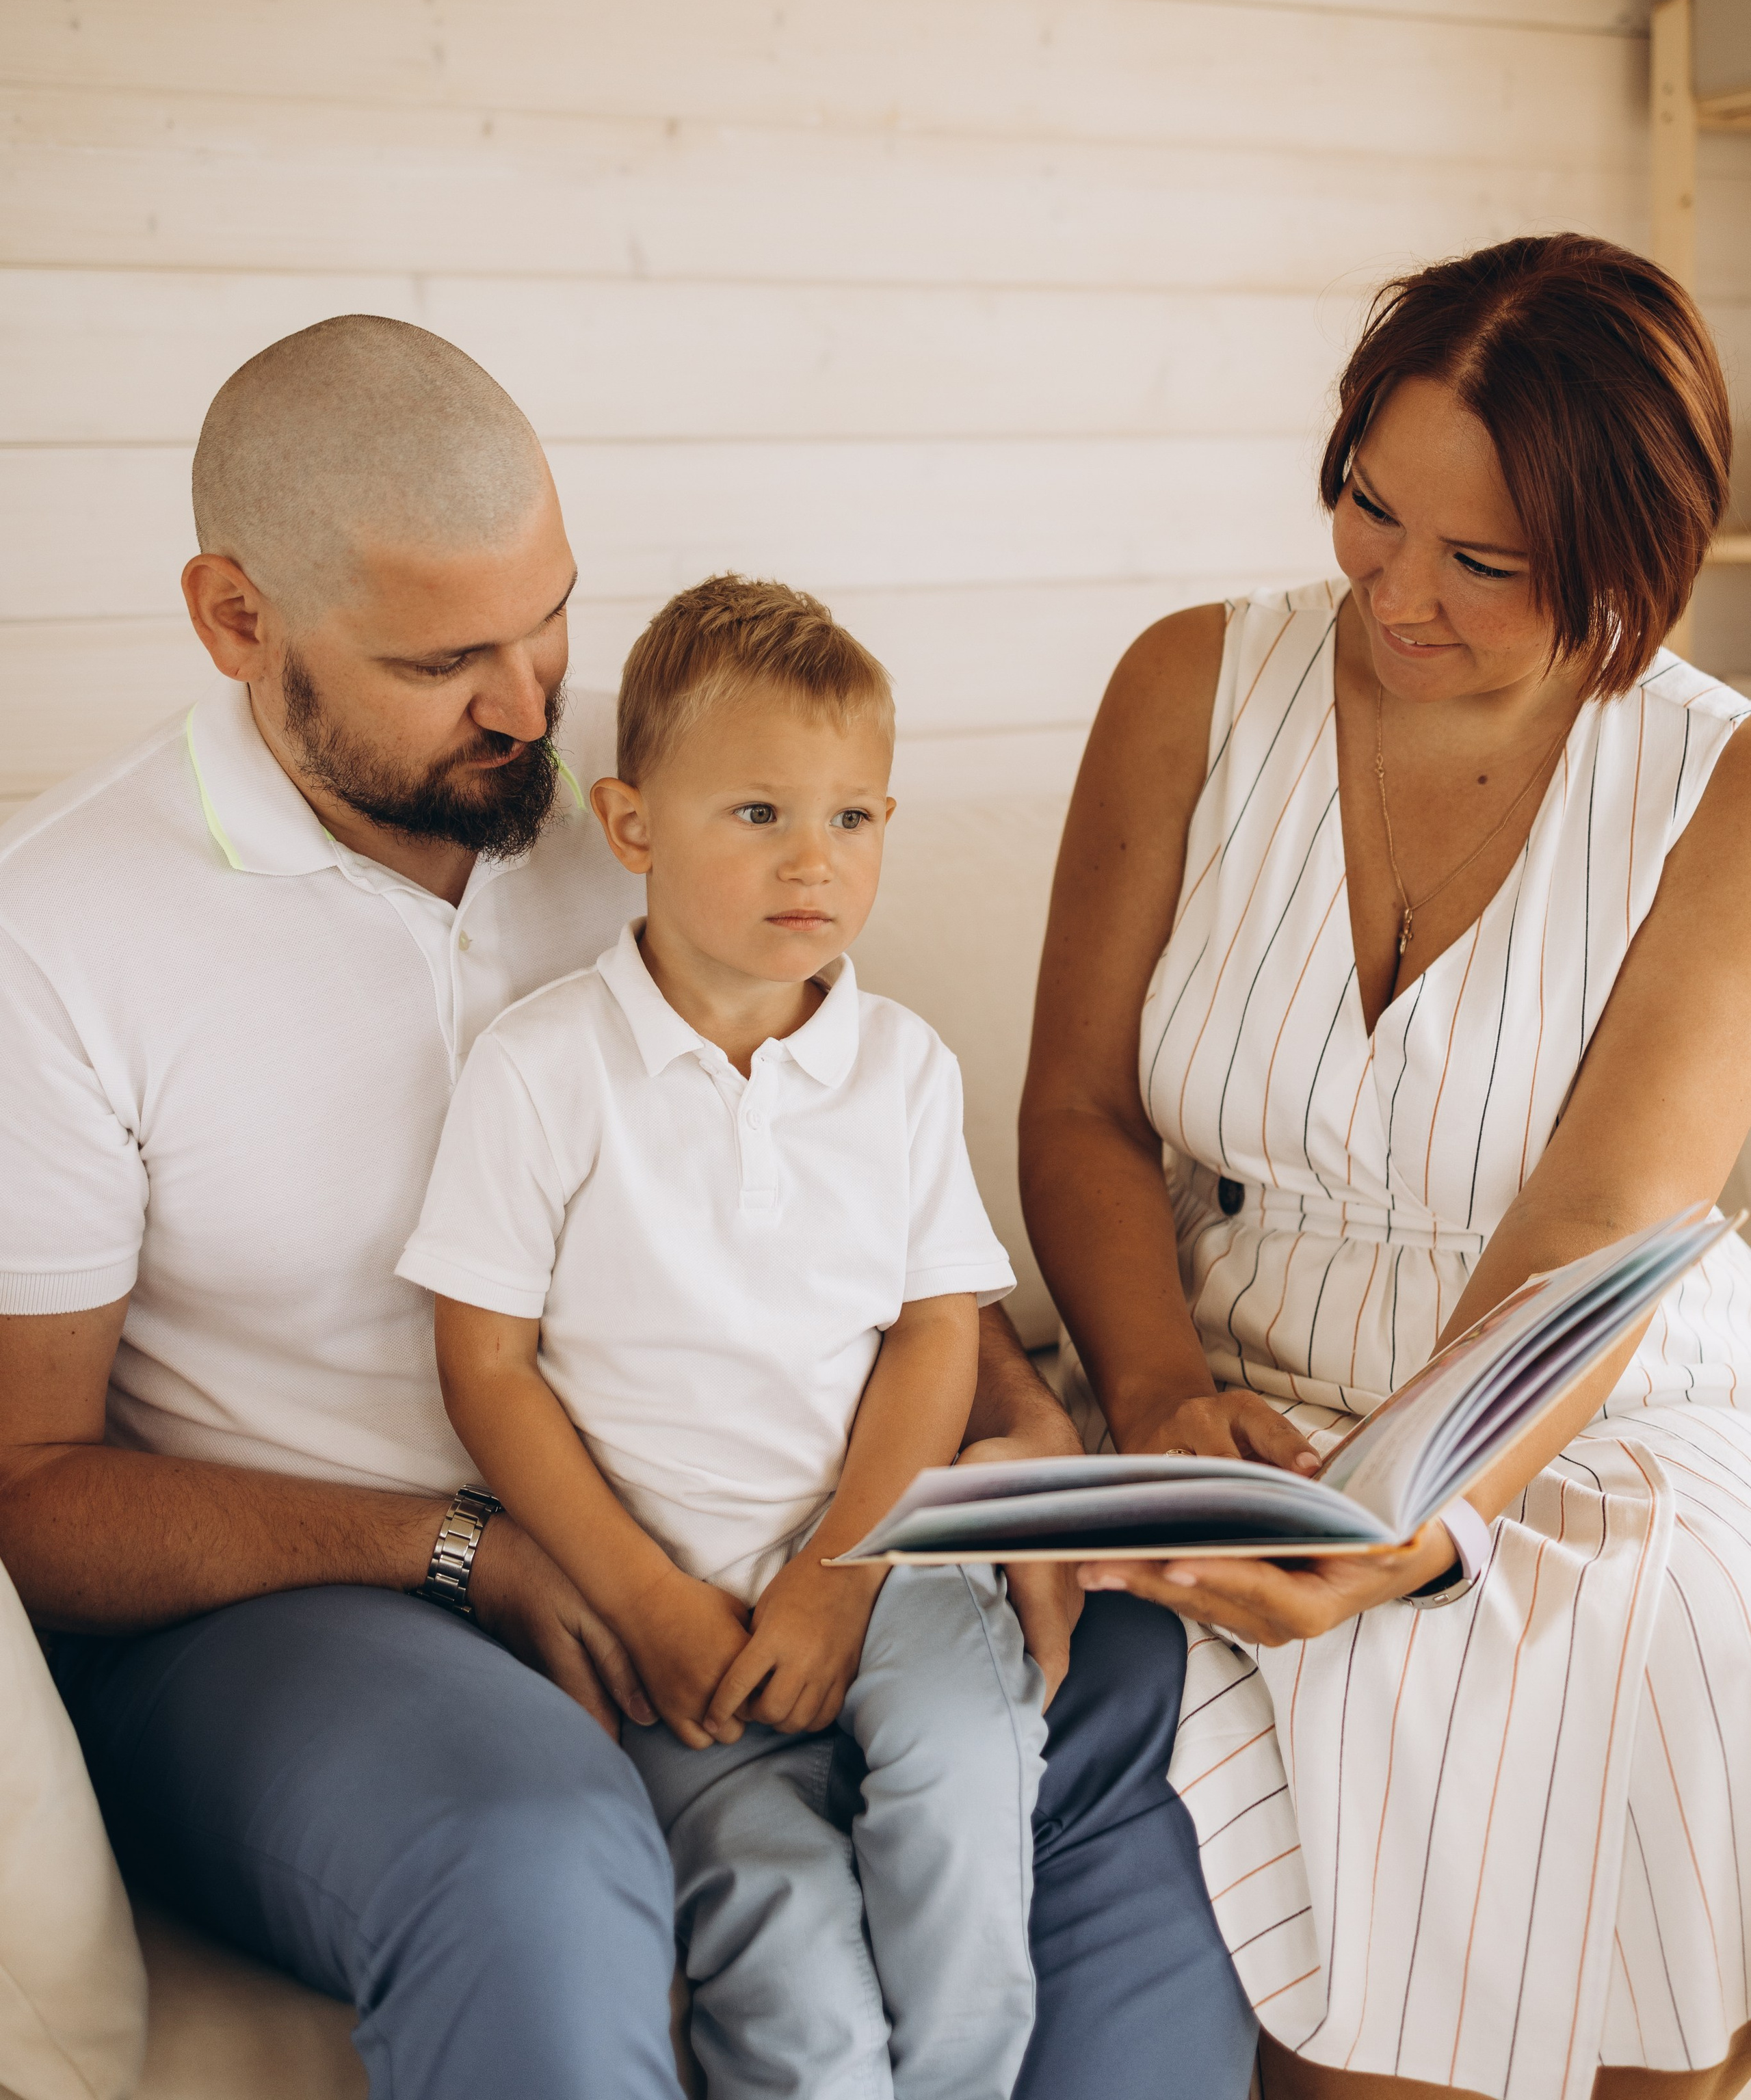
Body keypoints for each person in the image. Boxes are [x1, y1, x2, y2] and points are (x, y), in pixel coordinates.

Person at [0, 315, 1255, 2099]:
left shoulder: (668, 806)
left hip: (742, 1515)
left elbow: (860, 1178)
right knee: (526, 1841)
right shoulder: (55, 935)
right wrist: (461, 1552)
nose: (526, 700)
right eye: (445, 659)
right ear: (237, 620)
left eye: (548, 619)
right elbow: (31, 1490)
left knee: (1113, 1679)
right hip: (311, 1600)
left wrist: (1015, 1429)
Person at [1021, 235, 1751, 2100]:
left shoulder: (1717, 786)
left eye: (1484, 565)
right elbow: (1084, 1112)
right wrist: (1163, 1391)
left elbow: (1605, 1230)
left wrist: (1412, 1529)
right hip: (1217, 1369)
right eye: (1370, 507)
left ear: (1629, 566)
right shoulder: (1190, 685)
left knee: (1561, 1651)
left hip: (1574, 1392)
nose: (1396, 595)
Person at [401, 575, 1046, 2099]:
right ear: (629, 826)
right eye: (755, 813)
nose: (811, 862)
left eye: (853, 819)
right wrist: (644, 1602)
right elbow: (483, 1364)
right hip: (670, 1620)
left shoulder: (899, 1067)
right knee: (786, 1957)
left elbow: (933, 1331)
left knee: (961, 1803)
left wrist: (834, 1583)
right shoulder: (543, 1068)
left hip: (884, 1568)